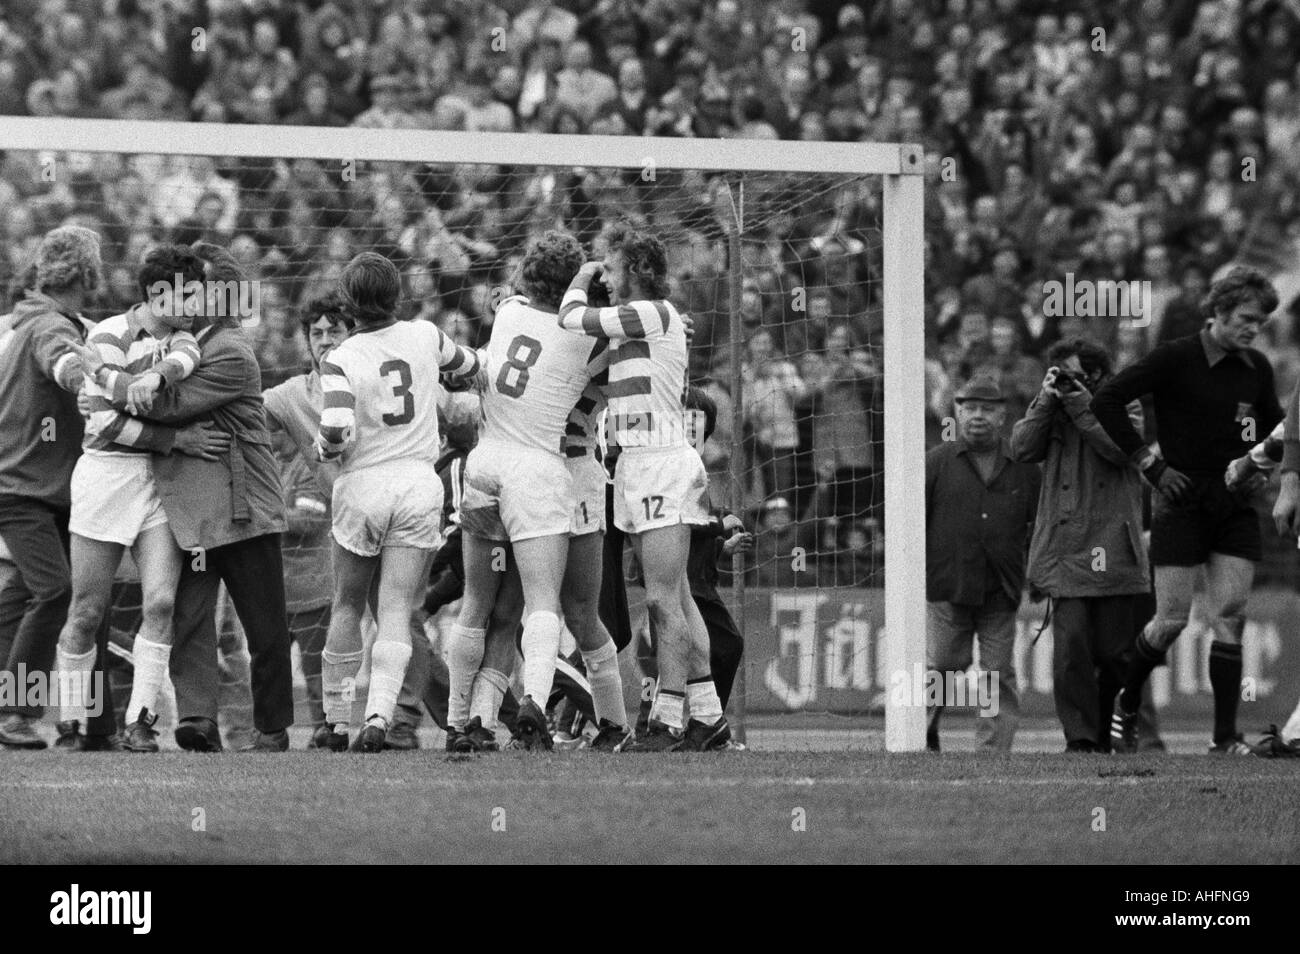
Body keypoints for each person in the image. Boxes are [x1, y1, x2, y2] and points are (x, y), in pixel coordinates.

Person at [85, 242, 296, 753]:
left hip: (244, 508)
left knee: (263, 623)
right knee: (190, 618)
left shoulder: (229, 349)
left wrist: (104, 385)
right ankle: (198, 720)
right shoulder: (179, 341)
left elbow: (170, 403)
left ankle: (271, 729)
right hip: (191, 514)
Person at [1092, 266, 1284, 755]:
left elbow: (1276, 428)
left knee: (1231, 614)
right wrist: (1150, 465)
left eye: (1259, 322)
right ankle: (1128, 699)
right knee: (1171, 619)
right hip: (1178, 498)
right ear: (1218, 311)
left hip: (1234, 502)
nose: (1252, 329)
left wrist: (1262, 464)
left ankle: (1224, 739)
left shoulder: (1256, 368)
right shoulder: (1175, 357)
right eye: (1245, 318)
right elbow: (1108, 399)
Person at [450, 230, 627, 752]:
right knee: (575, 610)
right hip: (558, 478)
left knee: (488, 607)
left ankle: (467, 722)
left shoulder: (508, 313)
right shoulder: (600, 341)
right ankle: (590, 718)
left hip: (488, 467)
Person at [558, 223, 728, 751]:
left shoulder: (653, 312)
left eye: (611, 267)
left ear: (637, 269)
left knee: (660, 600)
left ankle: (667, 719)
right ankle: (708, 717)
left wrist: (581, 274)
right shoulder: (640, 328)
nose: (604, 277)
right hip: (633, 464)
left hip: (660, 462)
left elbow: (572, 318)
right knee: (677, 597)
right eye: (601, 269)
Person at [315, 252, 479, 752]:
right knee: (396, 609)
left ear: (349, 305)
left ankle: (337, 721)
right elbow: (471, 365)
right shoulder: (426, 335)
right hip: (417, 484)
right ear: (397, 295)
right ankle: (381, 716)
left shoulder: (340, 358)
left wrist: (326, 449)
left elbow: (337, 429)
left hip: (363, 485)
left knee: (346, 604)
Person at [56, 245, 217, 753]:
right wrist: (169, 436)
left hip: (159, 481)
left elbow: (185, 357)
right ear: (156, 293)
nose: (194, 305)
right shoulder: (106, 334)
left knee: (162, 601)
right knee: (86, 609)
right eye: (186, 295)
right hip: (106, 476)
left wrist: (145, 380)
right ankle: (72, 719)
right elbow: (100, 420)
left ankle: (141, 722)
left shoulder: (184, 338)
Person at [1010, 338, 1151, 752]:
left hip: (1113, 545)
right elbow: (1020, 448)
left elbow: (1121, 448)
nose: (1067, 379)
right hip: (1065, 548)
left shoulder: (1125, 401)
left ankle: (1113, 726)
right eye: (1059, 372)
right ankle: (1082, 739)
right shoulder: (1052, 409)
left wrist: (1081, 403)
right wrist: (1045, 400)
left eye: (1073, 371)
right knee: (1071, 650)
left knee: (1115, 653)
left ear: (1095, 371)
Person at [0, 227, 110, 749]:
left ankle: (10, 705)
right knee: (56, 590)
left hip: (38, 488)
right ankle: (15, 712)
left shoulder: (32, 319)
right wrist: (85, 382)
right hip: (22, 490)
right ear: (89, 273)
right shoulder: (48, 326)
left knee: (20, 594)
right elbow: (62, 361)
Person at [925, 373, 1041, 752]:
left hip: (1000, 587)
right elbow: (914, 525)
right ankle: (922, 733)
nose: (978, 416)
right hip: (947, 584)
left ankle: (992, 750)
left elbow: (1038, 525)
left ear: (1002, 417)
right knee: (943, 665)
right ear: (957, 412)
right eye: (970, 407)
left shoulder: (1025, 467)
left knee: (996, 673)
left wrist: (1036, 572)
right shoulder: (937, 462)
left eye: (987, 410)